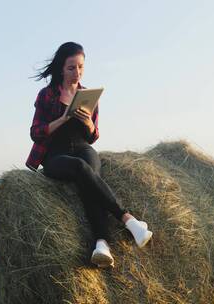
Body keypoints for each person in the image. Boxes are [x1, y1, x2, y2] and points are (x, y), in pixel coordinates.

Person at [25, 42, 153, 268]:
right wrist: (64, 118)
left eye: (81, 67)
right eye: (71, 67)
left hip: (83, 147)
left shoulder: (88, 95)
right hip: (55, 154)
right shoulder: (47, 95)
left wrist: (88, 123)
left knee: (90, 178)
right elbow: (35, 133)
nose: (77, 72)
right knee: (81, 170)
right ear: (61, 69)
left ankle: (102, 244)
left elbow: (94, 136)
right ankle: (128, 220)